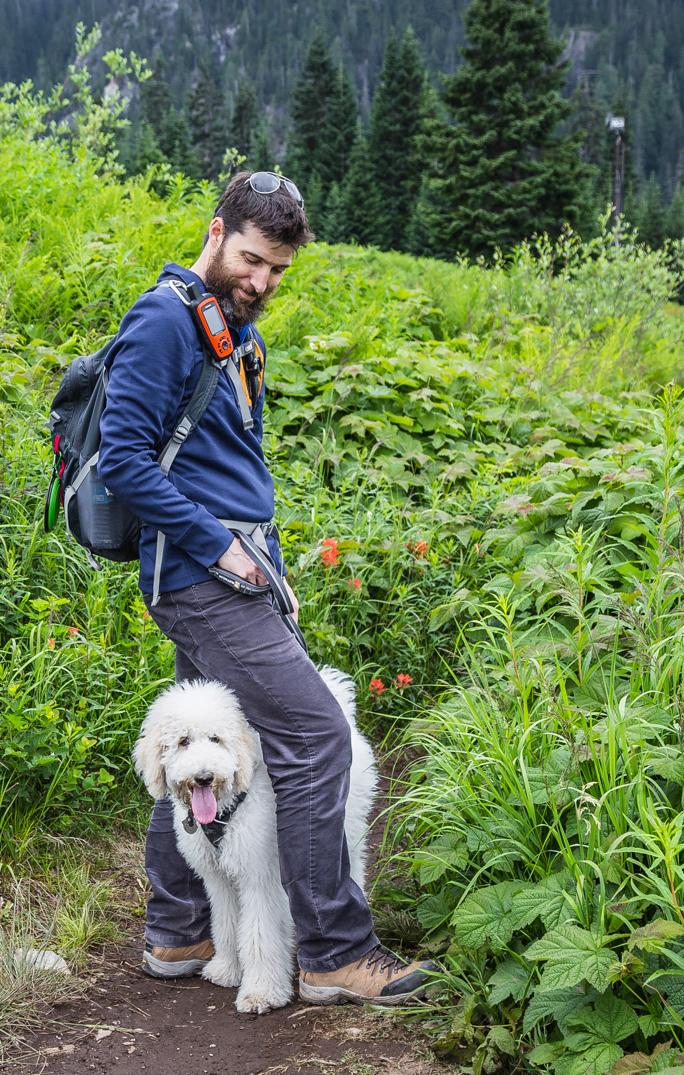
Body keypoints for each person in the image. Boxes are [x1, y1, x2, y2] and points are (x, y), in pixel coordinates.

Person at [98, 171, 438, 1006]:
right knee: (317, 734)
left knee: (195, 744)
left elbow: (227, 464)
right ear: (216, 233)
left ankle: (178, 936)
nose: (261, 283)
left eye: (277, 272)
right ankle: (333, 952)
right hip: (199, 574)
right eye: (251, 260)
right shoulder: (163, 322)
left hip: (238, 572)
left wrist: (269, 565)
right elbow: (125, 461)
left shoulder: (235, 334)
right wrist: (224, 549)